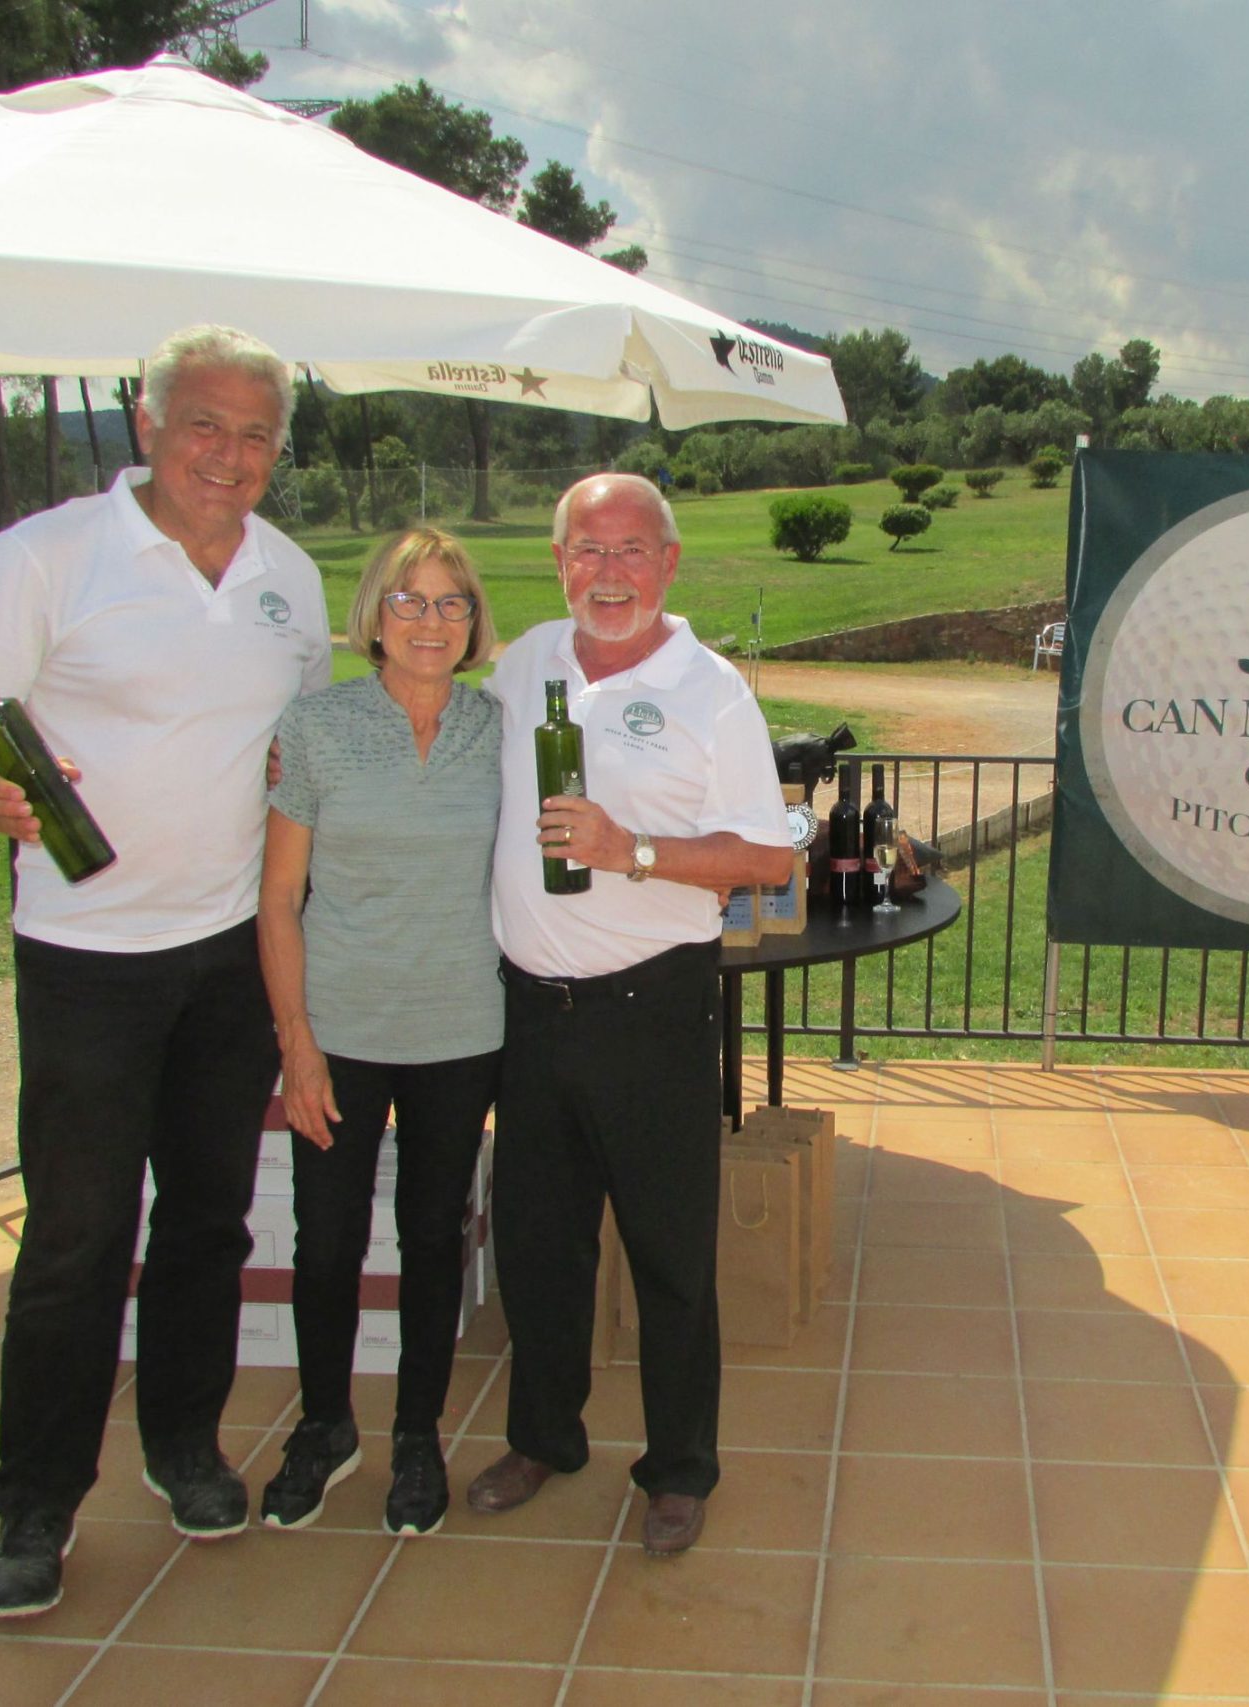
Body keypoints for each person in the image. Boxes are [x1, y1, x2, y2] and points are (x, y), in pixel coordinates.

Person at [0, 325, 331, 1619]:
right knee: (77, 1237)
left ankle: (183, 1446)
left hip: (230, 955)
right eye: (204, 424)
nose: (229, 453)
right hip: (88, 957)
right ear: (147, 425)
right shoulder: (44, 555)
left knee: (209, 1220)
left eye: (255, 433)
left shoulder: (289, 577)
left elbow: (306, 754)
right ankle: (36, 1503)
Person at [469, 472, 793, 1557]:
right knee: (539, 1248)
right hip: (531, 1014)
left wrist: (631, 850)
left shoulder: (712, 692)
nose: (608, 574)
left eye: (630, 550)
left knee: (668, 1255)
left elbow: (765, 858)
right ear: (559, 561)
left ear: (669, 562)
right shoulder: (526, 663)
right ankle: (543, 1438)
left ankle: (679, 1468)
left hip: (651, 1011)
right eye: (587, 550)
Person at [254, 528, 502, 1535]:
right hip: (341, 1030)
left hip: (461, 1027)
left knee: (433, 1238)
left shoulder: (504, 731)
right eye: (409, 601)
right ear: (375, 614)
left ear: (473, 621)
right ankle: (324, 1427)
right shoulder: (316, 727)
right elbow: (279, 898)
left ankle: (416, 1435)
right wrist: (296, 1043)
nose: (430, 621)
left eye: (450, 602)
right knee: (327, 1242)